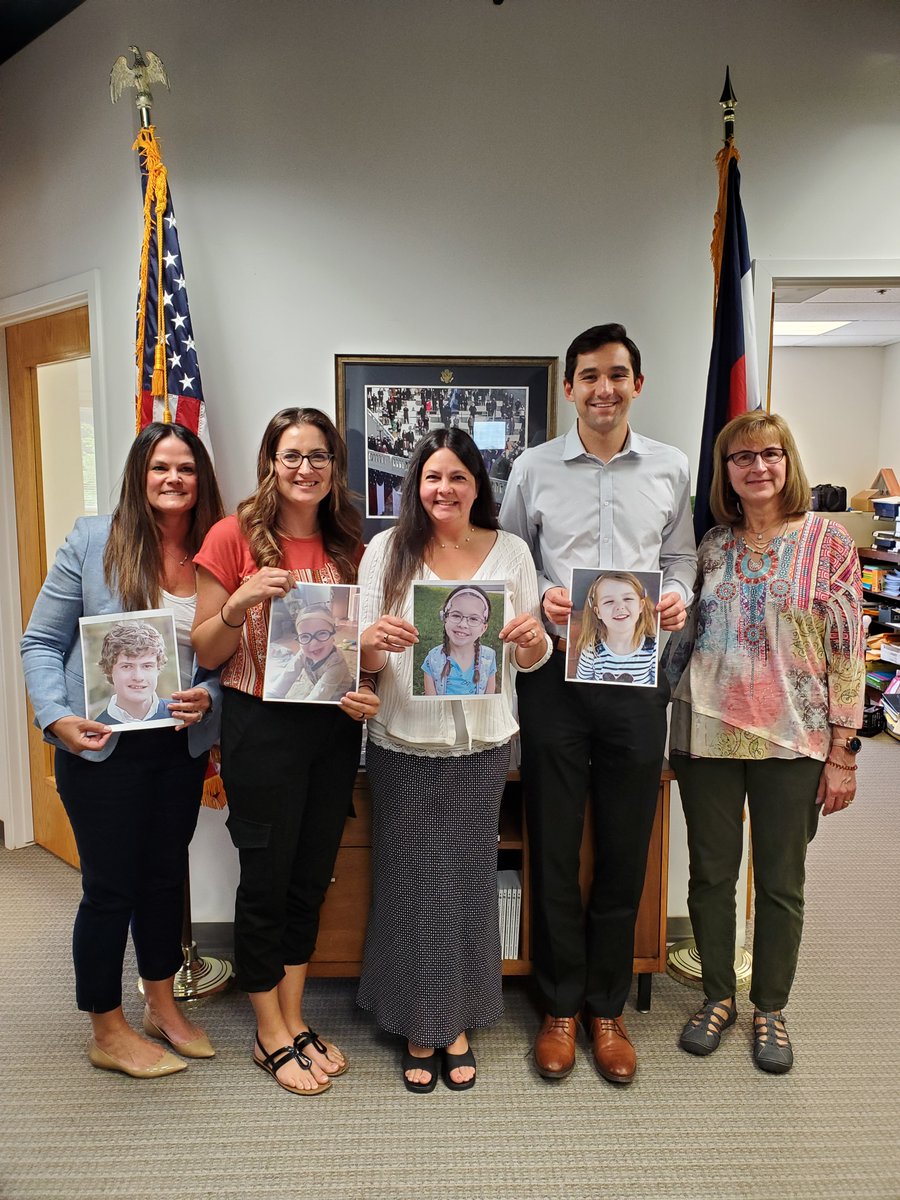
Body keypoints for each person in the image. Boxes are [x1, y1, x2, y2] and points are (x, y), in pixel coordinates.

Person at [499, 322, 696, 1085]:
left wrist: (675, 595)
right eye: (589, 376)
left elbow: (678, 556)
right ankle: (557, 1006)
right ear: (571, 388)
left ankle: (606, 1009)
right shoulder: (534, 467)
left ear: (636, 385)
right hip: (556, 679)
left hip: (637, 676)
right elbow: (510, 559)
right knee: (552, 841)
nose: (603, 388)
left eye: (617, 375)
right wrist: (538, 596)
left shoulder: (670, 467)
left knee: (624, 845)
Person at [20, 421, 225, 1078]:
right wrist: (56, 719)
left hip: (178, 749)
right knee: (110, 890)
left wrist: (209, 699)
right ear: (139, 475)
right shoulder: (92, 540)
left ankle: (161, 1007)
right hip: (99, 747)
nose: (173, 479)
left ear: (201, 480)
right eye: (160, 467)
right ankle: (105, 1029)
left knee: (166, 880)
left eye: (186, 468)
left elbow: (227, 658)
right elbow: (40, 644)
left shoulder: (215, 552)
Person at [666, 410, 864, 1074]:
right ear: (724, 472)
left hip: (794, 740)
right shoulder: (710, 547)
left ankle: (770, 1008)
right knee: (711, 876)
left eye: (769, 455)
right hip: (707, 735)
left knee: (781, 882)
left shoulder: (827, 543)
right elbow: (682, 642)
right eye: (741, 457)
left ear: (788, 462)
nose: (756, 467)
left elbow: (848, 651)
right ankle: (719, 995)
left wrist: (843, 749)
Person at [356, 427, 550, 1093]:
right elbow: (361, 658)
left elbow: (534, 655)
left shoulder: (512, 552)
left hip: (483, 746)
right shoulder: (386, 550)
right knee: (408, 885)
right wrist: (373, 642)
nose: (444, 489)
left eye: (458, 478)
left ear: (477, 486)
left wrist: (531, 640)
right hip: (403, 743)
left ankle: (458, 1019)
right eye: (433, 477)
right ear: (416, 484)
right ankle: (418, 1020)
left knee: (466, 885)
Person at [192, 407, 379, 1098]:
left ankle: (294, 1018)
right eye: (293, 455)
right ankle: (268, 1032)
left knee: (310, 877)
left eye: (320, 456)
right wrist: (239, 601)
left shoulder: (350, 543)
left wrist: (365, 686)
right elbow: (208, 650)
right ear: (271, 460)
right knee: (266, 878)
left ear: (335, 468)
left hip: (330, 730)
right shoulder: (232, 535)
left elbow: (360, 652)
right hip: (260, 728)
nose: (306, 469)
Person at [574, 572, 658, 686]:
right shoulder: (592, 650)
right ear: (598, 612)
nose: (620, 607)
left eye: (628, 598)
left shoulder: (652, 648)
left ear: (640, 606)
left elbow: (655, 691)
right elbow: (582, 688)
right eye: (609, 601)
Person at [265, 601, 354, 703]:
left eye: (322, 633)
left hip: (341, 696)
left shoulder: (337, 664)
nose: (313, 643)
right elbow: (288, 674)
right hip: (322, 686)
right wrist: (273, 694)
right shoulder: (303, 653)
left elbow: (318, 697)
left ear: (333, 635)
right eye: (304, 636)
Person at [421, 584, 498, 696]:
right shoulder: (433, 658)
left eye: (473, 619)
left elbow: (488, 701)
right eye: (456, 616)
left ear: (483, 628)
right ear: (444, 618)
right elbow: (432, 703)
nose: (463, 625)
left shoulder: (489, 657)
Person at [93, 621, 173, 723]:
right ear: (109, 669)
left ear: (158, 668)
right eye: (127, 666)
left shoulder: (179, 715)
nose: (138, 677)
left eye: (147, 666)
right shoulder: (97, 728)